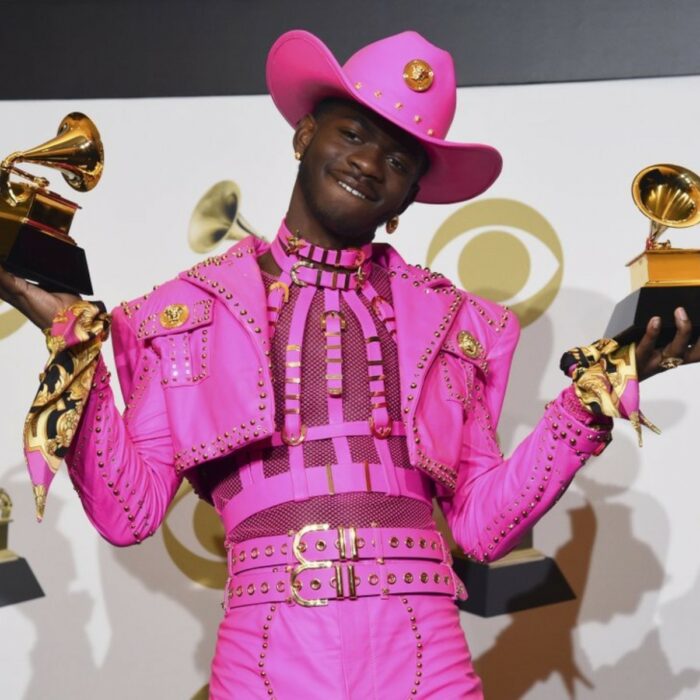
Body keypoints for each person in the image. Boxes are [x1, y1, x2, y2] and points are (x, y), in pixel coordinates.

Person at [1, 29, 699, 700]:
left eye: (400, 159)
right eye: (354, 133)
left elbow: (483, 526)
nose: (370, 163)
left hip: (426, 654)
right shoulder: (186, 312)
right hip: (270, 655)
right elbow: (129, 511)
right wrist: (69, 334)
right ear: (305, 136)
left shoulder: (462, 326)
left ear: (411, 198)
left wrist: (596, 395)